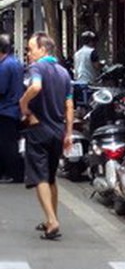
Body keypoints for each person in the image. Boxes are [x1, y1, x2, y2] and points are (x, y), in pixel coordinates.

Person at [18, 32, 74, 241]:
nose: (29, 54)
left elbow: (36, 87)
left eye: (31, 49)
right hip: (57, 131)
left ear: (42, 50)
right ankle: (52, 217)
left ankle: (52, 220)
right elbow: (69, 105)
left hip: (39, 128)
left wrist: (23, 104)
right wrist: (68, 133)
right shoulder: (64, 73)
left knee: (39, 176)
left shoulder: (37, 68)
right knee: (51, 177)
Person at [0, 35, 24, 183]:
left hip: (5, 109)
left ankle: (14, 173)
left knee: (7, 144)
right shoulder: (16, 63)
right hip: (14, 109)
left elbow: (1, 89)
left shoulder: (4, 67)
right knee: (9, 142)